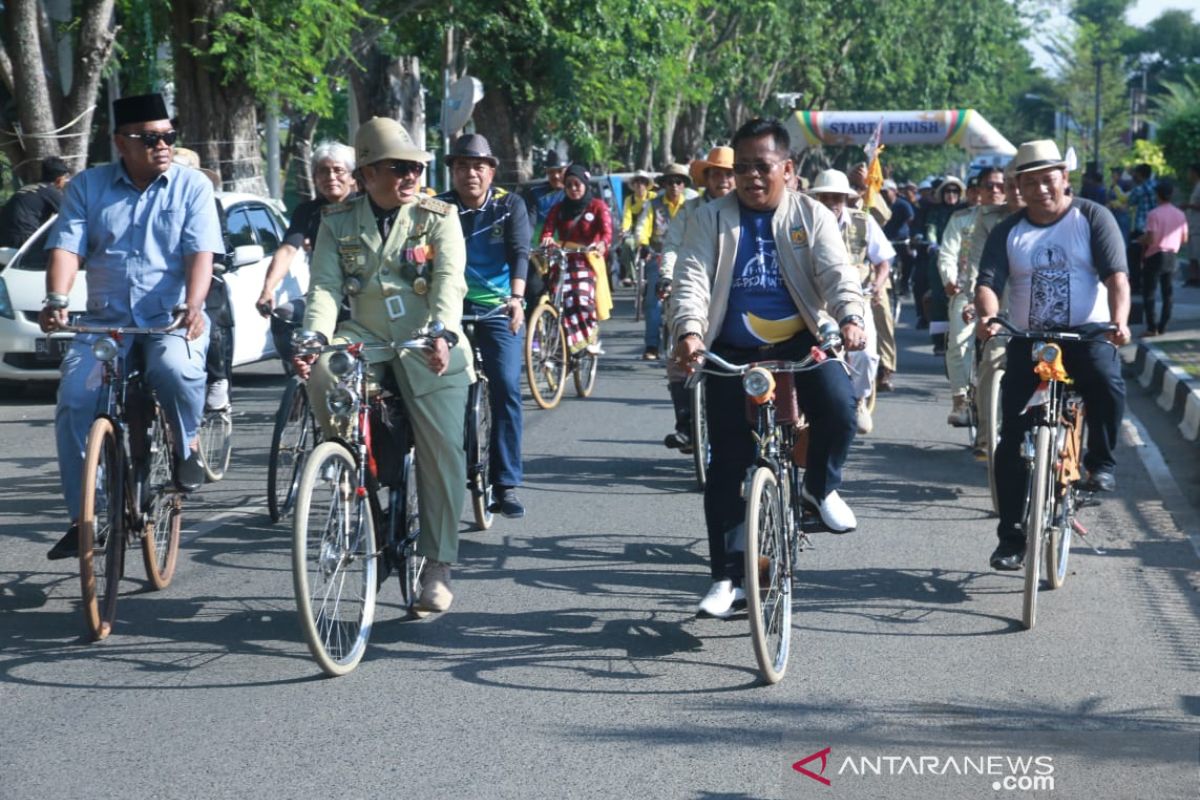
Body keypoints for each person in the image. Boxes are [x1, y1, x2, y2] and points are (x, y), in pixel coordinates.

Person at [672, 118, 867, 617]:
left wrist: (850, 317)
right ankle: (726, 579)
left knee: (841, 407)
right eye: (742, 169)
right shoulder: (709, 218)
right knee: (725, 468)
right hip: (730, 352)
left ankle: (817, 487)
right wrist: (690, 331)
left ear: (788, 168)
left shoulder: (812, 216)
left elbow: (837, 273)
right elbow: (691, 277)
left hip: (802, 343)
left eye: (762, 167)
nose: (752, 178)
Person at [294, 116, 472, 614]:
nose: (411, 176)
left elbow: (449, 282)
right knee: (327, 369)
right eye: (399, 168)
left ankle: (437, 563)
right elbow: (325, 288)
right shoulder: (337, 221)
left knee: (442, 448)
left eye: (416, 167)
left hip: (427, 341)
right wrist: (314, 337)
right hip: (367, 337)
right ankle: (350, 476)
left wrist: (441, 331)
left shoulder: (438, 217)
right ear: (367, 174)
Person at [39, 93, 222, 560]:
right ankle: (88, 516)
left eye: (169, 136)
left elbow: (200, 253)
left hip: (169, 319)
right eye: (150, 138)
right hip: (105, 325)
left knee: (176, 372)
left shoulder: (192, 187)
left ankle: (185, 448)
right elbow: (66, 247)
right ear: (121, 142)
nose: (163, 146)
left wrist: (194, 304)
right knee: (76, 399)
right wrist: (57, 300)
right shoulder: (87, 186)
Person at [975, 140, 1130, 571]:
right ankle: (1011, 538)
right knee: (1010, 441)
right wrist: (989, 318)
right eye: (1030, 182)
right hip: (1030, 341)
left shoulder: (1092, 217)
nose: (1041, 189)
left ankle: (1100, 461)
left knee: (1106, 381)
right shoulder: (1009, 230)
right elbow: (988, 281)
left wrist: (1119, 321)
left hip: (1087, 336)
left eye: (1049, 179)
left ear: (1064, 178)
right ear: (1018, 187)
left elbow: (1117, 276)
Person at [436, 134, 530, 519]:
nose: (469, 174)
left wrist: (517, 298)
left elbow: (520, 252)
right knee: (436, 386)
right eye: (461, 166)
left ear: (491, 171)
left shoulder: (510, 206)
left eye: (478, 166)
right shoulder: (436, 207)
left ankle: (505, 484)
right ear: (452, 172)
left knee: (506, 386)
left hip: (497, 308)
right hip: (450, 309)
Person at [658, 146, 735, 451]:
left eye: (729, 174)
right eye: (717, 174)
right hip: (695, 289)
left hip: (735, 293)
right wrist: (667, 275)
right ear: (707, 178)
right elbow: (673, 246)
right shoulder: (690, 211)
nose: (724, 180)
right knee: (678, 358)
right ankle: (687, 424)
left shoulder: (744, 208)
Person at [810, 168, 894, 435]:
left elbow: (883, 261)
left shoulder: (864, 221)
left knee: (866, 355)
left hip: (857, 300)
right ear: (817, 199)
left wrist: (877, 286)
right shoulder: (803, 222)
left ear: (846, 199)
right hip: (816, 301)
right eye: (826, 197)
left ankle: (857, 400)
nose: (832, 203)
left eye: (837, 197)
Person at [256, 141, 357, 318]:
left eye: (338, 170)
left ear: (352, 176)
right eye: (323, 171)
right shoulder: (307, 211)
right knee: (285, 317)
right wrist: (268, 289)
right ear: (315, 178)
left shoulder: (366, 206)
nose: (331, 177)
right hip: (325, 292)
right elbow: (287, 250)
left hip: (368, 294)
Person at [938, 167, 1003, 427]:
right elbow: (948, 252)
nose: (995, 191)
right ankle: (961, 399)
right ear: (977, 191)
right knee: (959, 340)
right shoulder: (963, 219)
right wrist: (950, 281)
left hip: (1006, 294)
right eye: (989, 186)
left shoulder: (1015, 219)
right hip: (968, 292)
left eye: (1001, 186)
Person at [172, 147, 235, 412]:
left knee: (211, 313)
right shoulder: (153, 200)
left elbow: (221, 246)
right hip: (160, 279)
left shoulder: (211, 203)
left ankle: (217, 378)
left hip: (203, 274)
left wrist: (214, 262)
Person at [541, 163, 613, 354]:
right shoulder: (558, 208)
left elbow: (607, 233)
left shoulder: (598, 206)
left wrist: (602, 244)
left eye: (577, 185)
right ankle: (559, 343)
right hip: (563, 260)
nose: (573, 189)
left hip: (587, 260)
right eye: (569, 185)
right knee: (557, 299)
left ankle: (588, 337)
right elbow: (547, 229)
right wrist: (547, 239)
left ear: (585, 185)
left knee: (581, 298)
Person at [642, 163, 690, 360]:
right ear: (663, 184)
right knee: (653, 303)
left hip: (687, 260)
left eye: (678, 182)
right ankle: (652, 345)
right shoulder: (653, 204)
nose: (674, 186)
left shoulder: (693, 204)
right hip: (658, 256)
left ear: (684, 185)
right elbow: (643, 227)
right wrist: (642, 243)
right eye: (670, 182)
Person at [1139, 179, 1189, 337]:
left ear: (1157, 195)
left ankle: (1151, 327)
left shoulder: (1154, 214)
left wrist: (1141, 240)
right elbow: (1185, 238)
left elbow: (1151, 238)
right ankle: (1163, 326)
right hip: (1171, 255)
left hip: (1155, 254)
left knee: (1150, 292)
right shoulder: (1180, 214)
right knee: (1168, 292)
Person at [0, 156, 72, 247]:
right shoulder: (51, 191)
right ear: (59, 179)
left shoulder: (30, 188)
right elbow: (71, 215)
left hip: (3, 236)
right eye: (65, 178)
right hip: (23, 239)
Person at [619, 170, 657, 288]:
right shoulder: (629, 200)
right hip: (636, 233)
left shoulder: (654, 197)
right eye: (637, 182)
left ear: (646, 185)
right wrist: (624, 230)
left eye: (642, 182)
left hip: (654, 232)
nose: (639, 185)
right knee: (627, 244)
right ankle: (632, 275)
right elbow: (627, 218)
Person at [1126, 163, 1156, 293]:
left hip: (1141, 227)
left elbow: (1130, 201)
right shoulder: (1156, 186)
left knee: (1134, 256)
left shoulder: (1139, 189)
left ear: (1140, 174)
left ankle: (1136, 285)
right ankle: (1149, 284)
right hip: (1155, 227)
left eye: (1135, 174)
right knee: (1149, 257)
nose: (1134, 176)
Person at [1182, 164, 1200, 286]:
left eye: (1190, 172)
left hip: (1198, 226)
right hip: (1193, 226)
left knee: (1197, 253)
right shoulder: (1196, 187)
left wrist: (1188, 206)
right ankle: (1193, 279)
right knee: (1192, 254)